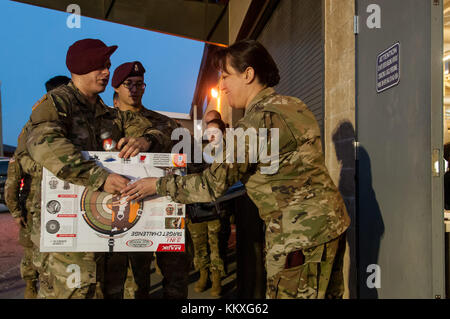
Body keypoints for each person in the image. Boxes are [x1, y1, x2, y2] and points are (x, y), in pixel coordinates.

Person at [121, 39, 351, 299]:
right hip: (330, 225)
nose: (222, 86)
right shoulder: (293, 104)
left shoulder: (254, 123)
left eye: (227, 76)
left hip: (299, 237)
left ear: (248, 74)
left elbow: (212, 185)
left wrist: (157, 185)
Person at [24, 39, 159, 299]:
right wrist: (99, 177)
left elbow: (157, 127)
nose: (107, 72)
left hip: (106, 233)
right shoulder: (57, 104)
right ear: (81, 67)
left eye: (107, 65)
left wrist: (147, 139)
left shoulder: (107, 113)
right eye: (101, 66)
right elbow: (44, 143)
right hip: (69, 241)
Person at [101, 61, 190, 299]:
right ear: (116, 88)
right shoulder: (103, 122)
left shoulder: (164, 122)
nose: (134, 88)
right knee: (120, 281)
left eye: (139, 84)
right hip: (115, 213)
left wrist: (150, 139)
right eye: (128, 84)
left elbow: (183, 154)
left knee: (170, 276)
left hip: (159, 208)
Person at [4, 75, 70, 299]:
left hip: (68, 204)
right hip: (38, 205)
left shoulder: (76, 121)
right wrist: (14, 208)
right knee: (38, 260)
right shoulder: (35, 124)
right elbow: (16, 166)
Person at [187, 119, 228, 297]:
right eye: (209, 132)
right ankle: (203, 275)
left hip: (215, 209)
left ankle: (216, 278)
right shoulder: (199, 152)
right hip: (197, 207)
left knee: (215, 245)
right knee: (199, 244)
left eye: (215, 132)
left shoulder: (227, 153)